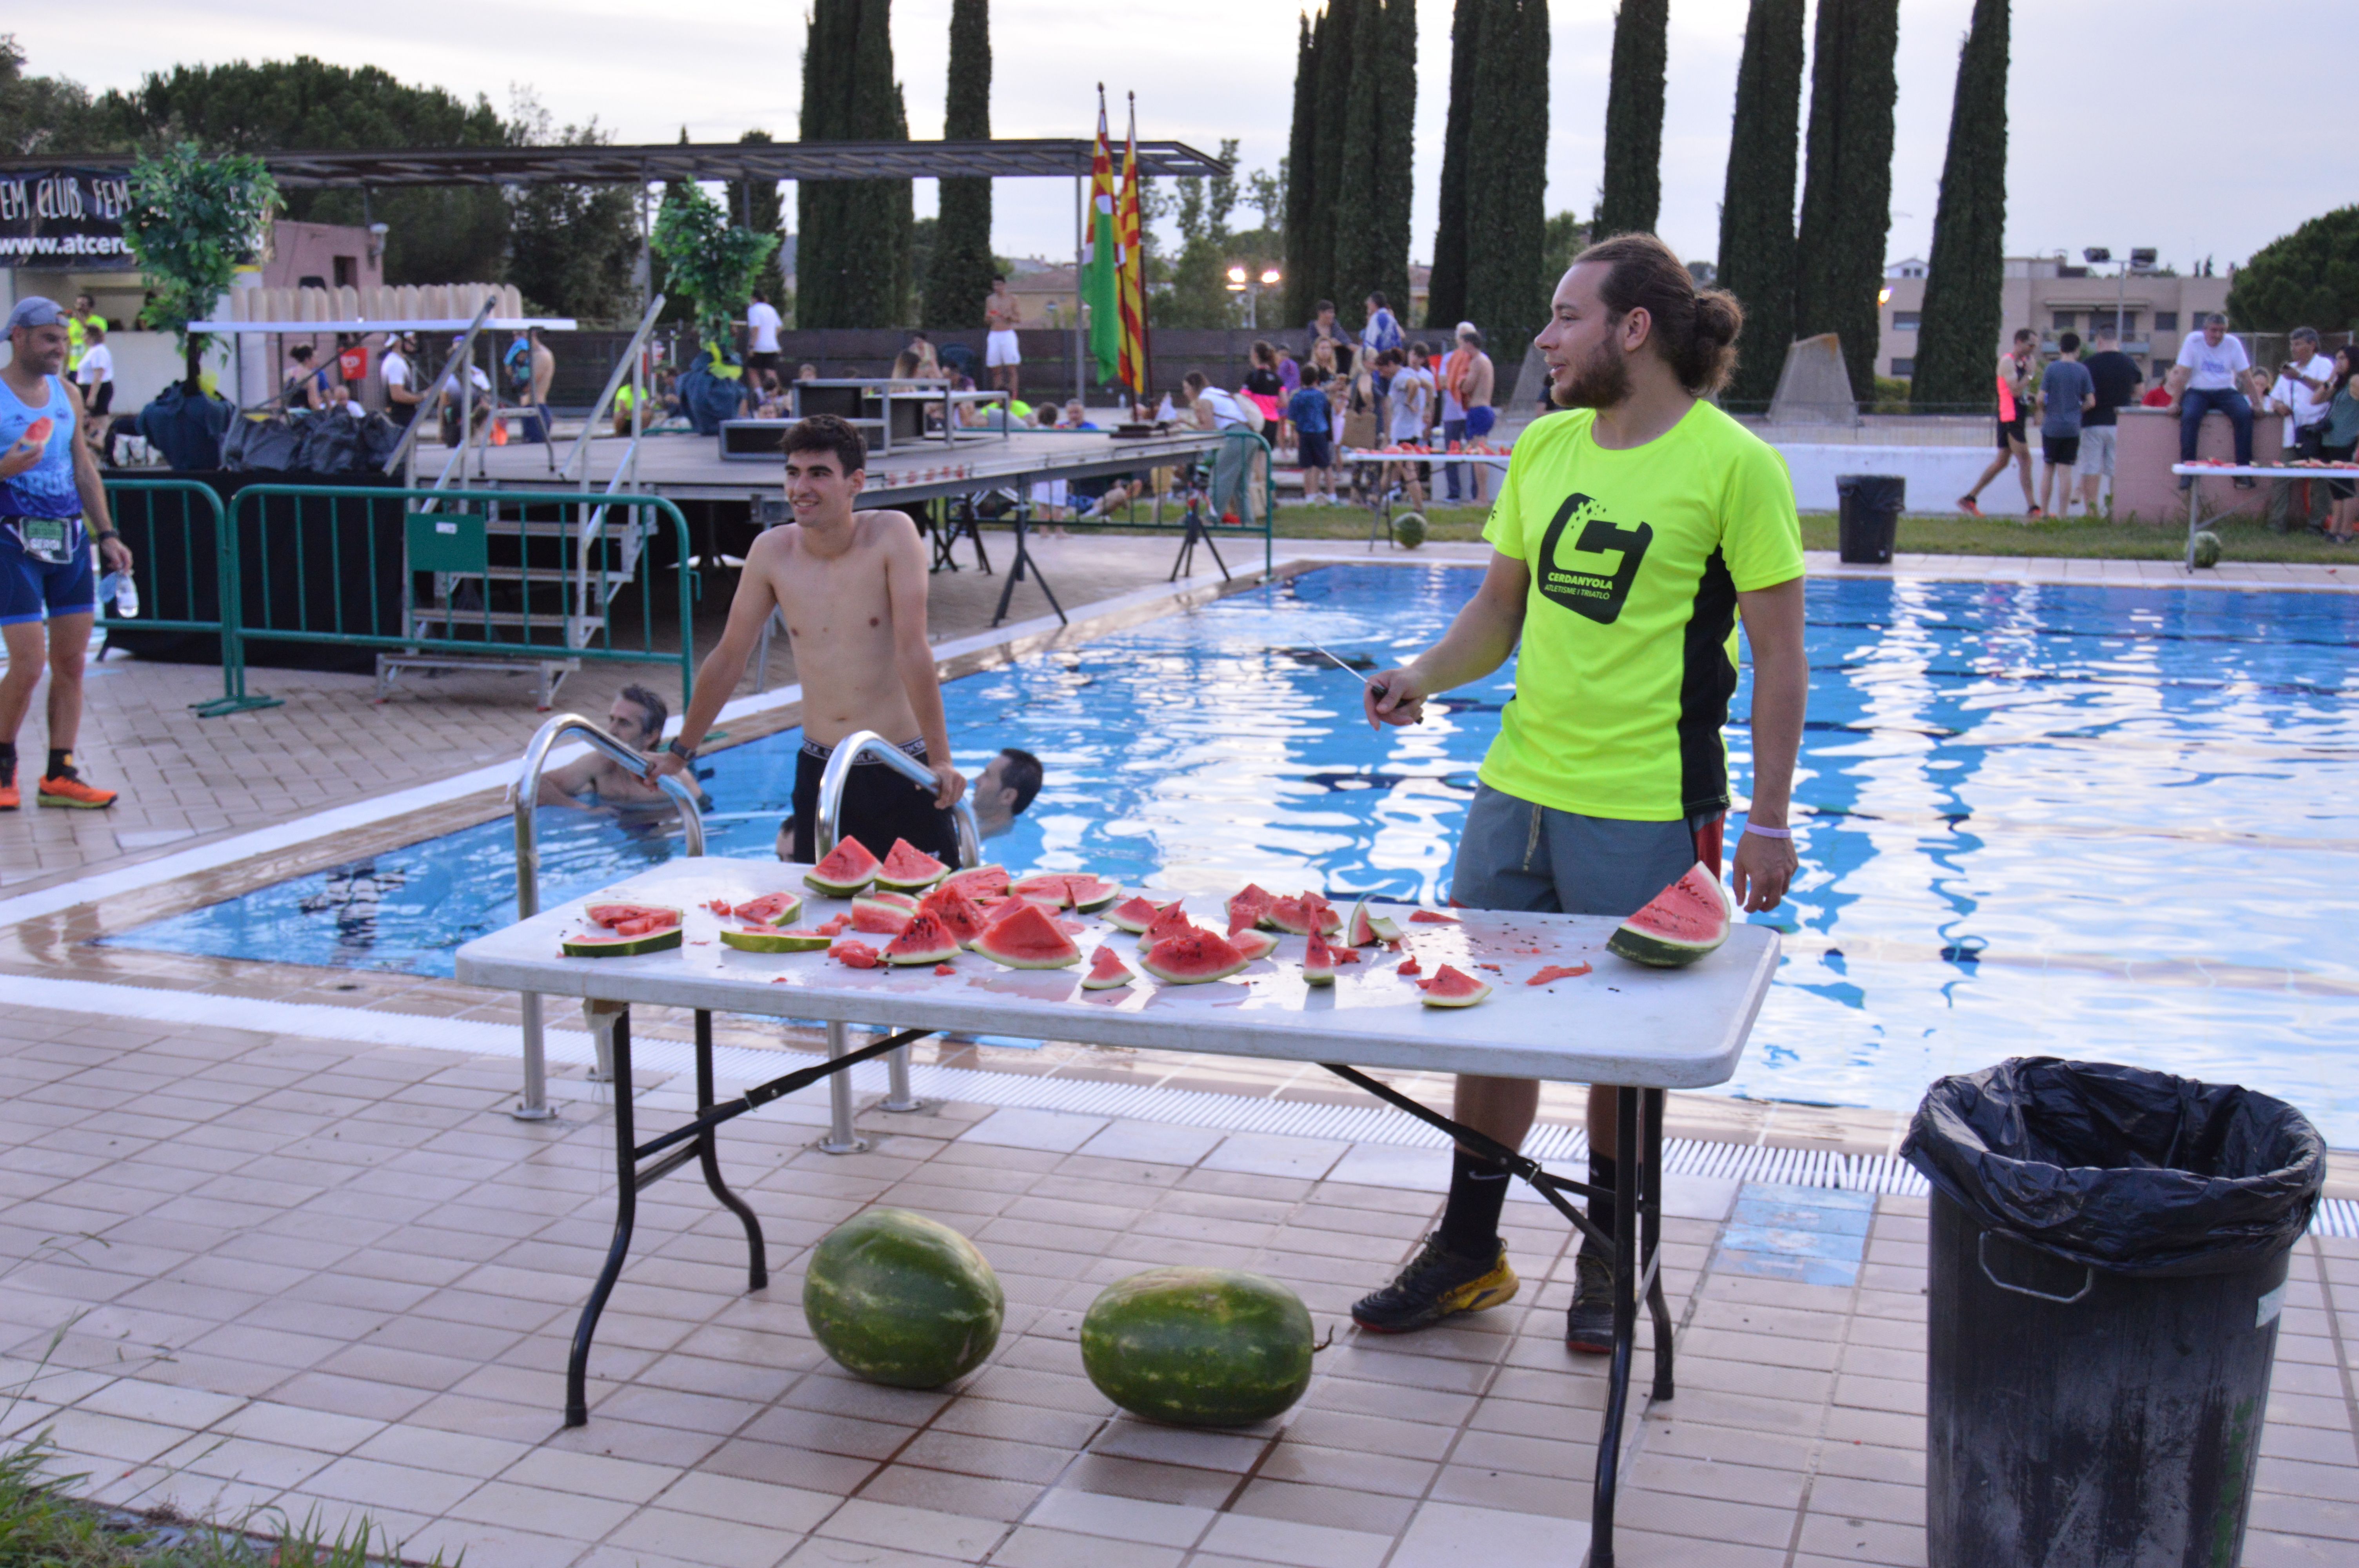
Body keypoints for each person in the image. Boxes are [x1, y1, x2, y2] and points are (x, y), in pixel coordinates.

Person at [1351, 235, 1806, 1352]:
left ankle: (1612, 1257)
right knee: (1487, 1021)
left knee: (1626, 1049)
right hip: (1515, 790)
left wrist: (1771, 817)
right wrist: (1420, 673)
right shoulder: (1547, 449)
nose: (1545, 342)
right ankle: (1471, 1250)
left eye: (1564, 318)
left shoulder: (1734, 466)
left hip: (1652, 801)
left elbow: (1784, 658)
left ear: (1633, 328)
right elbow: (1500, 616)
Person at [649, 416, 964, 865]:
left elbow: (912, 649)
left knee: (933, 910)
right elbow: (730, 656)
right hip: (822, 768)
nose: (801, 487)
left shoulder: (892, 536)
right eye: (793, 473)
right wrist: (680, 753)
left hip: (901, 766)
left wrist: (941, 760)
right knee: (821, 926)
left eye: (818, 474)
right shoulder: (771, 552)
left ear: (855, 482)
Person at [0, 298, 135, 811]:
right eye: (48, 340)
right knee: (29, 663)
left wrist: (108, 534)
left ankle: (61, 771)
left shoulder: (68, 395)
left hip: (68, 542)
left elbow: (83, 469)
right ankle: (3, 764)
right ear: (18, 337)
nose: (59, 350)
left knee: (71, 663)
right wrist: (6, 468)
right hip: (10, 541)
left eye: (64, 341)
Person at [537, 685, 707, 813]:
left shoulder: (675, 781)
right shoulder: (600, 764)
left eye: (624, 724)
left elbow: (702, 819)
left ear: (651, 737)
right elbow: (531, 786)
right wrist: (584, 809)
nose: (611, 731)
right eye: (612, 720)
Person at [2167, 313, 2256, 490]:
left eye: (2222, 331)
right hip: (2198, 391)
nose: (2217, 335)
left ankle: (2243, 471)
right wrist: (2174, 402)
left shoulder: (2233, 343)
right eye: (2214, 331)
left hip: (2226, 391)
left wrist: (2258, 404)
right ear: (2205, 330)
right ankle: (2188, 469)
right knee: (2190, 417)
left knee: (2244, 415)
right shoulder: (2193, 341)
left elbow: (2246, 376)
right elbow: (2182, 373)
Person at [1958, 328, 2040, 517]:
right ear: (2019, 342)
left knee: (2002, 462)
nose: (2033, 349)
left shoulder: (2023, 363)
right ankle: (2033, 508)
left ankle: (1969, 499)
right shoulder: (2008, 362)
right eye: (2030, 345)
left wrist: (2034, 399)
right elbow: (2015, 392)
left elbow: (2022, 395)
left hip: (2014, 416)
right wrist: (2030, 375)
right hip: (2010, 417)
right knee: (2025, 460)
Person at [2075, 323, 2142, 515]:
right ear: (2117, 342)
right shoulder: (2129, 363)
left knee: (2091, 468)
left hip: (2093, 422)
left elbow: (2081, 393)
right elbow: (2140, 391)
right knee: (2115, 471)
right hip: (2119, 423)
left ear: (2099, 341)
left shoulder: (2089, 364)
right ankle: (2115, 511)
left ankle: (2092, 512)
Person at [2034, 332, 2095, 517]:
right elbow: (2091, 402)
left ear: (2060, 349)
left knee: (2048, 468)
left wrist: (2046, 410)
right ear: (2077, 350)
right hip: (2072, 427)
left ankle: (2044, 512)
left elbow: (2039, 399)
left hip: (2052, 426)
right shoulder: (2083, 371)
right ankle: (2062, 514)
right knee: (2065, 470)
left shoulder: (2052, 369)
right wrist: (2078, 412)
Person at [1440, 323, 1496, 503]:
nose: (1461, 350)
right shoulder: (1486, 360)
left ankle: (1482, 497)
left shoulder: (1477, 362)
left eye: (1463, 345)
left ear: (1469, 345)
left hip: (1478, 410)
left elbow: (1468, 386)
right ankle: (1482, 496)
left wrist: (1458, 380)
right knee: (1479, 453)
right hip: (1485, 409)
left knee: (1478, 455)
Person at [1383, 345, 1433, 510]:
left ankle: (1419, 507)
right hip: (1410, 428)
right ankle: (1379, 500)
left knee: (1409, 472)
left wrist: (1409, 402)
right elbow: (1429, 387)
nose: (1381, 373)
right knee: (1387, 466)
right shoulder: (1409, 372)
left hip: (1403, 430)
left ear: (1389, 365)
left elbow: (1413, 386)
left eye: (1381, 369)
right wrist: (1427, 408)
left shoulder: (1401, 377)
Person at [2319, 344, 2359, 542]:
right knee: (2336, 488)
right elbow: (2315, 399)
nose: (2339, 363)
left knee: (2346, 487)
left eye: (2343, 358)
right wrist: (2330, 379)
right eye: (2337, 359)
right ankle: (2334, 529)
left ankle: (2347, 531)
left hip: (2347, 440)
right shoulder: (2341, 383)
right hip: (2332, 440)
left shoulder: (2355, 380)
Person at [1289, 364, 1336, 505]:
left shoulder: (1296, 397)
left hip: (1304, 433)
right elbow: (1328, 410)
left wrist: (1293, 435)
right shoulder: (1321, 396)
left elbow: (1292, 419)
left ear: (1300, 380)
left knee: (1307, 467)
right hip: (1320, 432)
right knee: (1326, 465)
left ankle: (1309, 496)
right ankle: (1333, 495)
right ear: (1317, 380)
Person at [972, 747, 1044, 838]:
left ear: (1007, 797)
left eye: (987, 775)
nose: (976, 780)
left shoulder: (996, 844)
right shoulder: (971, 825)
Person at [73, 320, 113, 461]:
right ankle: (93, 453)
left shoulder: (99, 351)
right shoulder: (92, 351)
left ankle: (102, 452)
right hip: (86, 388)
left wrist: (92, 396)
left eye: (85, 335)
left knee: (98, 423)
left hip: (96, 389)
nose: (83, 338)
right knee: (88, 423)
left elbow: (98, 374)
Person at [985, 276, 1023, 399]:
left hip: (1007, 334)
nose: (997, 288)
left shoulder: (1012, 299)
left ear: (1005, 285)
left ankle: (1013, 397)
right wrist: (990, 317)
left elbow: (1018, 319)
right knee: (996, 369)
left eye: (1000, 285)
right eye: (995, 285)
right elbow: (986, 319)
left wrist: (1009, 316)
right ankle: (998, 397)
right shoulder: (990, 300)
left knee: (1011, 368)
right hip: (995, 334)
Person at [382, 334, 424, 430]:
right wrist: (423, 396)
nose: (415, 342)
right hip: (400, 419)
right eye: (411, 339)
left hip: (402, 418)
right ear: (398, 342)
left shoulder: (398, 361)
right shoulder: (395, 363)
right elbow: (398, 395)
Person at [746, 292, 784, 394]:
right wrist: (772, 337)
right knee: (771, 372)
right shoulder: (771, 309)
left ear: (754, 299)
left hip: (758, 347)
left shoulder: (753, 310)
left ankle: (761, 397)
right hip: (772, 346)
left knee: (753, 371)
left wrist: (751, 347)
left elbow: (755, 329)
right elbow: (779, 327)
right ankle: (776, 397)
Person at [1360, 291, 1403, 365]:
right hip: (1394, 363)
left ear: (1374, 304)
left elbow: (1370, 344)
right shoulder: (1392, 319)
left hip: (1380, 363)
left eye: (1369, 302)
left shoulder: (1375, 319)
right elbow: (1398, 341)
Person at [65, 295, 99, 376]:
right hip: (74, 367)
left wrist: (82, 322)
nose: (79, 308)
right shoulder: (71, 323)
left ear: (91, 308)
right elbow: (68, 345)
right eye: (78, 304)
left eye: (83, 305)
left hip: (90, 367)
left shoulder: (99, 321)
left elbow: (96, 336)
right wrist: (64, 370)